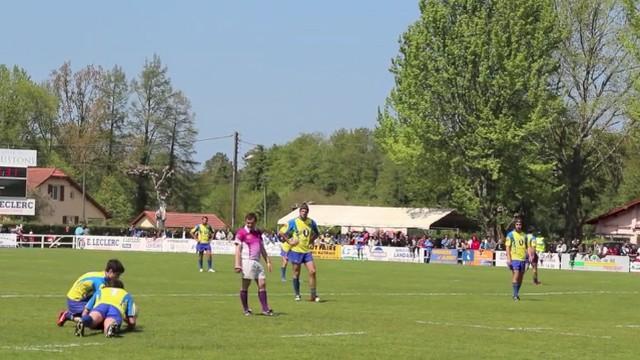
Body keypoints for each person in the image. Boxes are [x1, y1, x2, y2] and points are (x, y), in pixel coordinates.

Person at [57, 259, 125, 327]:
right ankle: (67, 315)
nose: (118, 278)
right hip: (75, 301)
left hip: (82, 297)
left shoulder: (101, 275)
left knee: (98, 316)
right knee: (93, 320)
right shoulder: (99, 282)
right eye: (117, 275)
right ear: (110, 271)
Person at [234, 213, 274, 316]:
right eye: (247, 223)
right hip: (247, 261)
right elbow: (237, 250)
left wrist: (268, 261)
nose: (249, 225)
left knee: (262, 284)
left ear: (255, 222)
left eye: (251, 223)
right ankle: (246, 309)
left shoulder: (258, 233)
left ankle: (265, 309)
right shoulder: (241, 233)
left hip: (257, 262)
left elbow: (262, 248)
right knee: (245, 286)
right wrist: (237, 264)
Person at [282, 203, 320, 302]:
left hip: (307, 251)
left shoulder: (311, 222)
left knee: (313, 271)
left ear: (308, 212)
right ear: (299, 212)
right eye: (302, 211)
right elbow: (281, 232)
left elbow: (317, 233)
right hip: (296, 251)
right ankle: (297, 294)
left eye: (305, 211)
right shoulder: (293, 222)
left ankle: (313, 295)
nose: (304, 213)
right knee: (296, 273)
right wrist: (289, 241)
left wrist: (311, 240)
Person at [505, 216, 534, 301]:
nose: (518, 226)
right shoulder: (510, 235)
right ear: (515, 225)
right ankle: (515, 295)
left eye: (520, 224)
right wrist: (508, 258)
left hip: (523, 259)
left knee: (521, 278)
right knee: (516, 275)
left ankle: (516, 293)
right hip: (514, 258)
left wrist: (530, 256)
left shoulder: (524, 236)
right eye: (517, 224)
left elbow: (528, 247)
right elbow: (507, 247)